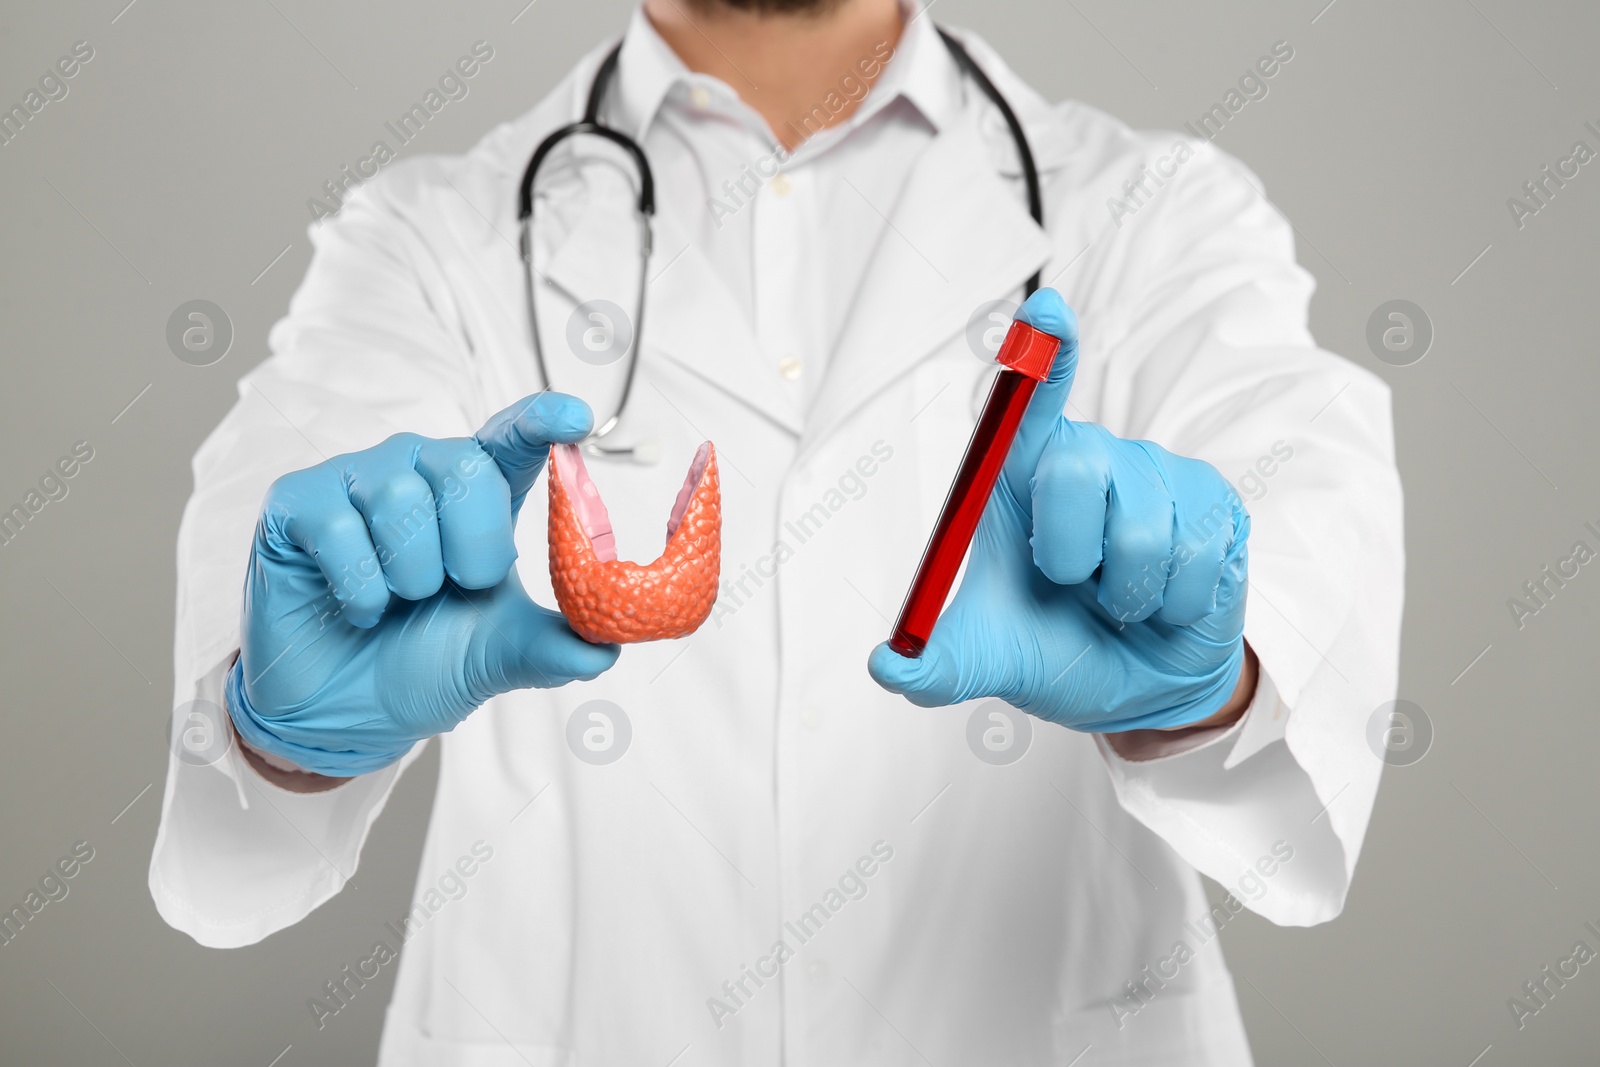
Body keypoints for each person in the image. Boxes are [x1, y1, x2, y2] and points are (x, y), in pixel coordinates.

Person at [150, 0, 1403, 1063]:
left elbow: (1303, 515)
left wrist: (1201, 688)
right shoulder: (427, 243)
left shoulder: (1156, 214)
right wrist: (282, 736)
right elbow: (284, 520)